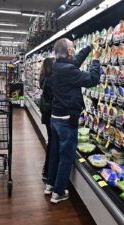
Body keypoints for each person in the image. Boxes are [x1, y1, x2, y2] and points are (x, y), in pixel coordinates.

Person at [44, 38, 102, 203]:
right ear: (69, 51)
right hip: (67, 120)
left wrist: (90, 47)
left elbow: (74, 62)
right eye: (73, 48)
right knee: (66, 156)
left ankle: (50, 184)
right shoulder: (68, 70)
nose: (75, 51)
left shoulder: (57, 66)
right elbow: (92, 80)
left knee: (55, 153)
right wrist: (96, 60)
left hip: (55, 117)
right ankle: (58, 192)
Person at [38, 57, 55, 182]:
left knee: (51, 140)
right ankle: (48, 170)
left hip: (46, 114)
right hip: (51, 114)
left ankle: (47, 169)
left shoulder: (43, 76)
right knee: (52, 142)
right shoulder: (50, 79)